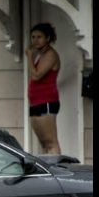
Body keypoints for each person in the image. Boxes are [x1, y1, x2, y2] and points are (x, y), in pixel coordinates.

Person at [25, 22, 62, 154]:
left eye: (39, 37)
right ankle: (48, 172)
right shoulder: (40, 55)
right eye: (33, 37)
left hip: (46, 102)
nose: (35, 40)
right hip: (35, 103)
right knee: (43, 144)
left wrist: (29, 56)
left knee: (51, 142)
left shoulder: (51, 54)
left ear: (48, 38)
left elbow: (36, 76)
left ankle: (57, 173)